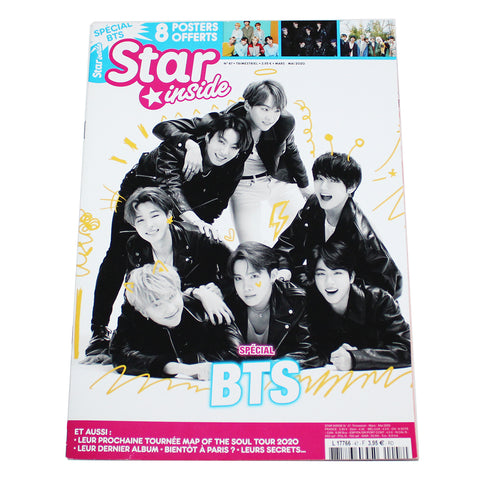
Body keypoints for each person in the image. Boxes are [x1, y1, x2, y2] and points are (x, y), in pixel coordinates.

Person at [85, 114, 251, 359]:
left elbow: (217, 202)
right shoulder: (180, 146)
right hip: (142, 194)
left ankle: (176, 321)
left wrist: (200, 230)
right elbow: (170, 186)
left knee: (187, 253)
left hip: (183, 205)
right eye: (221, 141)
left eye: (234, 146)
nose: (225, 151)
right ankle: (100, 331)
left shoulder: (234, 164)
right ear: (208, 136)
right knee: (121, 255)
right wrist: (189, 144)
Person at [153, 79, 312, 246]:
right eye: (264, 109)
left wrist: (304, 185)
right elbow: (163, 127)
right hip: (244, 187)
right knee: (251, 246)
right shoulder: (225, 122)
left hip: (276, 179)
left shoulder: (284, 122)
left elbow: (291, 150)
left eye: (276, 110)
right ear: (248, 105)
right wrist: (189, 144)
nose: (270, 117)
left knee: (306, 229)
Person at [273, 152, 403, 298]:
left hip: (344, 296)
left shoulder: (362, 233)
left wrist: (344, 296)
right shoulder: (314, 205)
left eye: (333, 181)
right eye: (319, 179)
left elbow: (388, 285)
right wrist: (284, 268)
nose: (323, 187)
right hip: (317, 281)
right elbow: (288, 243)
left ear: (351, 187)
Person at [110, 265, 243, 379]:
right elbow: (120, 356)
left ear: (179, 291)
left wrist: (195, 361)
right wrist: (183, 368)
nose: (170, 309)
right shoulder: (135, 320)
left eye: (171, 296)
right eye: (157, 304)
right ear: (144, 312)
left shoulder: (206, 309)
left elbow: (238, 354)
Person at [306, 241, 411, 371]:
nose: (329, 282)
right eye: (321, 274)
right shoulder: (310, 304)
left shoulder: (379, 301)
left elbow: (408, 349)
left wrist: (355, 358)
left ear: (351, 277)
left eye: (337, 273)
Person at [225, 242, 317, 368]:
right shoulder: (229, 305)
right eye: (239, 278)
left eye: (254, 276)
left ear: (273, 276)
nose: (246, 287)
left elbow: (310, 351)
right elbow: (219, 353)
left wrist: (272, 366)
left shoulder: (296, 301)